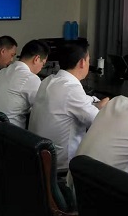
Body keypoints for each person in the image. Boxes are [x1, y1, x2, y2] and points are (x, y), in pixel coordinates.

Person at [29, 39, 109, 172]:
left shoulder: (49, 80)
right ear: (82, 62)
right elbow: (99, 121)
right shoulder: (71, 90)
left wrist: (95, 102)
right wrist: (105, 106)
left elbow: (77, 101)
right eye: (88, 60)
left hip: (40, 158)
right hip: (62, 167)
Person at [0, 39, 49, 129]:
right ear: (36, 59)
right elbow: (44, 110)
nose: (41, 69)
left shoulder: (3, 71)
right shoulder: (30, 78)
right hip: (8, 133)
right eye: (43, 64)